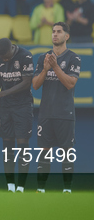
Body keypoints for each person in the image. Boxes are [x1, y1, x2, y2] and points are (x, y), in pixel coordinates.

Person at [32, 22, 80, 193]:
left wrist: (55, 67)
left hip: (64, 113)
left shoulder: (74, 58)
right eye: (53, 31)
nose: (55, 34)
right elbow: (35, 85)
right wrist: (45, 69)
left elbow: (70, 84)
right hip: (46, 113)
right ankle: (41, 189)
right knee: (44, 151)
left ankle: (67, 190)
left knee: (66, 152)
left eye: (59, 32)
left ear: (66, 36)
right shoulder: (42, 57)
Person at [0, 38, 34, 193]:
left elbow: (26, 82)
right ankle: (10, 185)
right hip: (5, 106)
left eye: (7, 57)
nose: (4, 59)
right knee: (7, 144)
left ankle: (21, 186)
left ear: (12, 48)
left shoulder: (25, 55)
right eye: (2, 57)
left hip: (23, 105)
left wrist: (1, 93)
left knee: (22, 143)